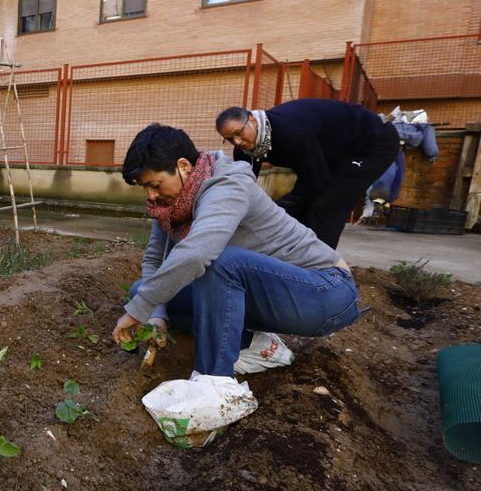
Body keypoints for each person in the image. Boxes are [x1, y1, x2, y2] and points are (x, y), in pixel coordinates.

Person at [111, 124, 363, 377]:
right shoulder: (172, 207)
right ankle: (258, 347)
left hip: (325, 291)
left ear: (184, 166)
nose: (151, 196)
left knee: (220, 262)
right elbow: (155, 259)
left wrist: (135, 312)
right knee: (142, 292)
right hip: (275, 294)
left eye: (155, 184)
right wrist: (155, 315)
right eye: (145, 188)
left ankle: (213, 383)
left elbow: (197, 253)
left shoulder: (228, 186)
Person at [215, 99, 400, 248]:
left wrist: (279, 209)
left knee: (327, 205)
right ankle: (295, 256)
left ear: (252, 121)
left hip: (371, 142)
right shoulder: (245, 149)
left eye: (238, 133)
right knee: (297, 206)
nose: (237, 142)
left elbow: (316, 181)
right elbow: (241, 186)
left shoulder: (291, 131)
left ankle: (321, 272)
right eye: (229, 139)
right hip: (336, 150)